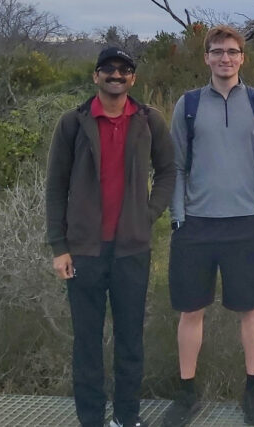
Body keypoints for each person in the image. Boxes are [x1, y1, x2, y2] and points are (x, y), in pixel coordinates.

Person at [46, 47, 175, 427]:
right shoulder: (73, 123)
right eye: (108, 69)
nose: (115, 75)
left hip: (131, 250)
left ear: (133, 78)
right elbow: (56, 187)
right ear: (95, 76)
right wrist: (59, 246)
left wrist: (147, 214)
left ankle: (126, 418)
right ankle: (91, 420)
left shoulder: (149, 120)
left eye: (124, 70)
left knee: (130, 341)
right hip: (84, 251)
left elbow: (168, 172)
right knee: (86, 343)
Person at [162, 26, 254, 427]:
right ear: (206, 58)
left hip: (246, 224)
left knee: (251, 309)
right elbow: (174, 164)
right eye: (216, 52)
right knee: (191, 310)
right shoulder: (188, 104)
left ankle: (253, 389)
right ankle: (187, 392)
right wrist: (178, 218)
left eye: (232, 52)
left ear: (242, 57)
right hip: (195, 225)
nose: (224, 59)